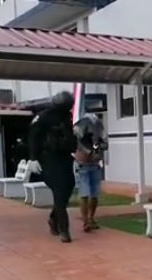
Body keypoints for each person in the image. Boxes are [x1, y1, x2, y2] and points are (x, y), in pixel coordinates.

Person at [27, 91, 77, 243]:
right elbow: (33, 137)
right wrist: (33, 158)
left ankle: (53, 218)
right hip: (49, 159)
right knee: (60, 193)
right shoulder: (44, 116)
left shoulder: (67, 117)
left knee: (69, 187)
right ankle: (64, 230)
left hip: (65, 158)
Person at [73, 113, 108, 232]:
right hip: (82, 163)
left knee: (94, 194)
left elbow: (104, 142)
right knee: (84, 193)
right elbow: (76, 141)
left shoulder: (98, 125)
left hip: (95, 164)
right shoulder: (81, 124)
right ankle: (86, 221)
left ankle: (91, 219)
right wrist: (89, 151)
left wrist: (98, 148)